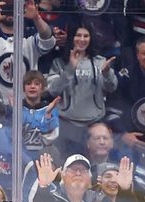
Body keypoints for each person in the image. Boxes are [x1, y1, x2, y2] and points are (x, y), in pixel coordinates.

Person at [46, 23, 118, 155]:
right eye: (78, 35)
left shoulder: (100, 61)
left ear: (91, 39)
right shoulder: (59, 63)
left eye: (86, 36)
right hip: (66, 125)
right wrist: (70, 69)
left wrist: (107, 73)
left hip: (94, 124)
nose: (82, 39)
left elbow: (112, 87)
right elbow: (53, 90)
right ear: (71, 38)